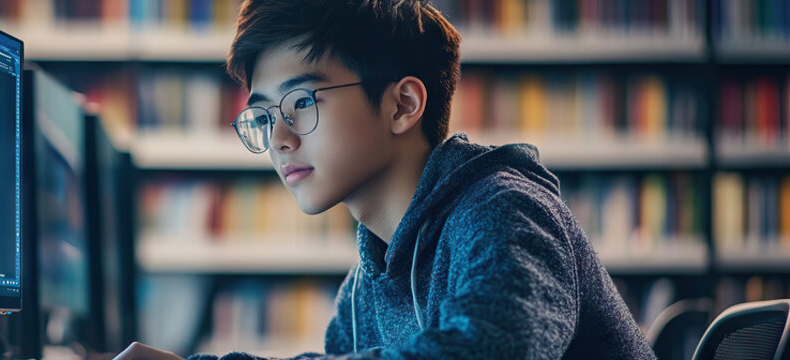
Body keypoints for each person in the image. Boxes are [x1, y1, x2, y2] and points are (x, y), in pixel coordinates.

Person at [115, 0, 656, 359]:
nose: (278, 138)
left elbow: (491, 351)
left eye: (301, 101)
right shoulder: (361, 293)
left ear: (403, 105)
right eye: (263, 115)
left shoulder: (505, 210)